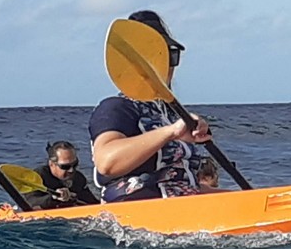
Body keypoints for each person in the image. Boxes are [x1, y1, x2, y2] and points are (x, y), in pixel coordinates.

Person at [88, 10, 213, 201]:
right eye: (158, 56)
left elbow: (187, 187)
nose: (167, 66)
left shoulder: (169, 115)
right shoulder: (116, 108)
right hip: (133, 212)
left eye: (171, 56)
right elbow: (106, 163)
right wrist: (171, 132)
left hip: (185, 206)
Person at [25, 141, 99, 209]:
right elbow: (30, 202)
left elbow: (93, 203)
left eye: (75, 164)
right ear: (51, 164)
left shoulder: (78, 178)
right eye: (65, 167)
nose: (71, 170)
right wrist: (53, 197)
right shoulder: (36, 177)